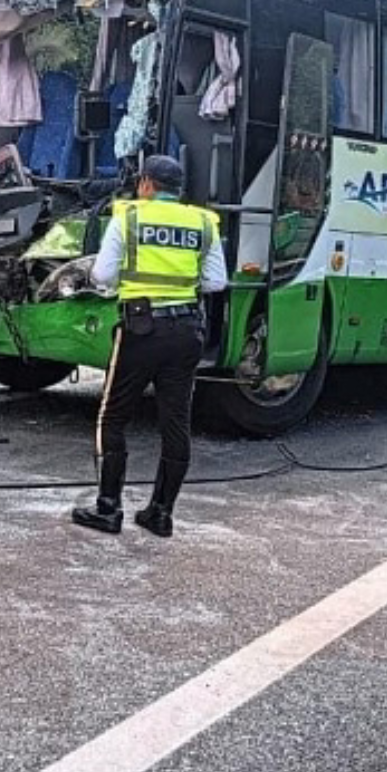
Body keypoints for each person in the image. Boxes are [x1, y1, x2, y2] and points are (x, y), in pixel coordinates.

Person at [72, 154, 226, 538]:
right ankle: (161, 512)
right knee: (176, 422)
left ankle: (108, 508)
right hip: (187, 331)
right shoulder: (204, 223)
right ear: (179, 188)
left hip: (141, 329)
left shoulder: (129, 217)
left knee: (113, 416)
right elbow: (216, 282)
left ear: (145, 184)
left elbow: (103, 275)